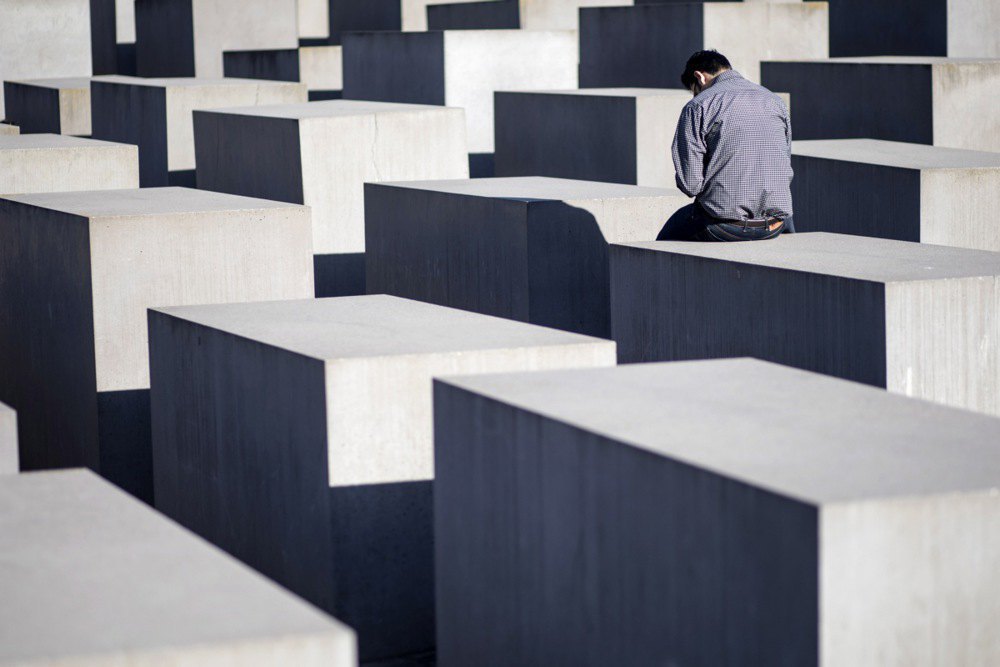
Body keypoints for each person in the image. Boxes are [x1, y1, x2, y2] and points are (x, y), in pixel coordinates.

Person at [659, 50, 793, 242]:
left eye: (693, 89)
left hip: (726, 226)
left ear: (699, 77)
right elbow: (784, 161)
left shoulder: (698, 105)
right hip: (775, 225)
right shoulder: (774, 100)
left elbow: (691, 184)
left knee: (668, 236)